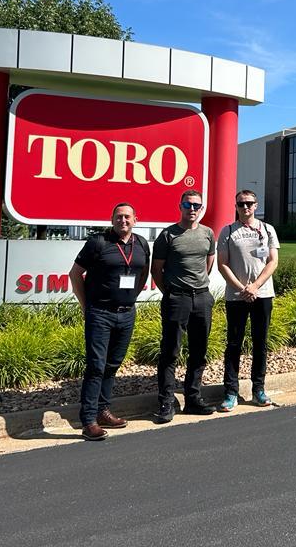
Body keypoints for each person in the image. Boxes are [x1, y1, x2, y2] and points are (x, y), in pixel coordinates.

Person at [68, 203, 150, 441]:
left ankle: (103, 411)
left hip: (127, 313)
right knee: (96, 366)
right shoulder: (98, 242)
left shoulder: (142, 244)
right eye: (118, 217)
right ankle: (89, 421)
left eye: (127, 217)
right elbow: (75, 274)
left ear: (135, 219)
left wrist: (131, 297)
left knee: (113, 365)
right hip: (100, 313)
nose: (123, 221)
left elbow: (143, 272)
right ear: (112, 219)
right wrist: (86, 306)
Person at [151, 189, 217, 423]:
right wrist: (170, 293)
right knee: (170, 351)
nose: (192, 209)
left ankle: (193, 398)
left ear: (201, 208)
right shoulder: (168, 235)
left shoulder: (208, 233)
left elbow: (208, 264)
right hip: (177, 298)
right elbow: (156, 270)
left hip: (202, 298)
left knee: (199, 350)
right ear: (180, 206)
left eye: (196, 205)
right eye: (188, 205)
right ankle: (166, 402)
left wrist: (197, 287)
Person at [216, 190, 279, 411]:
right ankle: (231, 392)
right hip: (236, 296)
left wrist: (255, 286)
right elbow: (222, 264)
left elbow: (273, 261)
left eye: (249, 203)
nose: (245, 207)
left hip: (263, 294)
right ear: (236, 206)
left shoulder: (267, 229)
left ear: (256, 205)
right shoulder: (228, 231)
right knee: (234, 344)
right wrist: (242, 288)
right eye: (241, 204)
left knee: (260, 343)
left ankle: (258, 389)